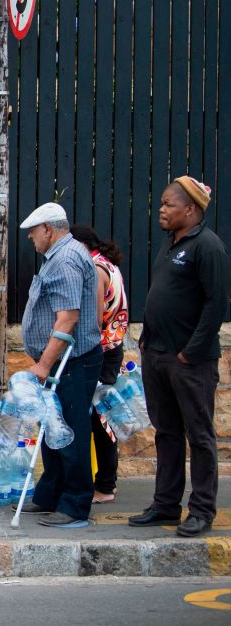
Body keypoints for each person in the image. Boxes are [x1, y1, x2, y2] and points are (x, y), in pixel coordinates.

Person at [128, 177, 228, 538]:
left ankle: (201, 510)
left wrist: (191, 352)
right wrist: (147, 343)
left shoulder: (208, 247)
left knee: (199, 436)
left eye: (169, 204)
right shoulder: (171, 246)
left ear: (191, 209)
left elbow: (216, 305)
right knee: (166, 433)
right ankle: (166, 504)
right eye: (162, 204)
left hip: (189, 362)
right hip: (157, 356)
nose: (162, 210)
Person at [18, 202, 103, 528]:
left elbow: (67, 319)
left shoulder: (65, 260)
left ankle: (75, 504)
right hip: (64, 362)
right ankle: (48, 494)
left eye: (33, 232)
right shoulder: (62, 256)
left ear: (48, 230)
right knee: (52, 429)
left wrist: (43, 364)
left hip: (72, 362)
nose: (30, 238)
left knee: (69, 432)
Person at [70, 224, 129, 504]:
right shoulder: (108, 264)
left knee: (100, 420)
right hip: (113, 347)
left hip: (101, 351)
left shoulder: (94, 269)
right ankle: (106, 483)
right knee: (102, 417)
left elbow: (93, 319)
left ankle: (105, 486)